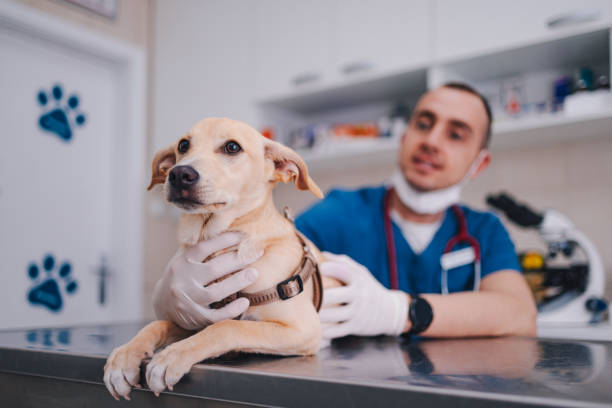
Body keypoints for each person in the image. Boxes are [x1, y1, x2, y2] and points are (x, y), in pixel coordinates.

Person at [152, 83, 537, 340]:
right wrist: (171, 300)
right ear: (405, 136)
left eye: (456, 134)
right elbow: (266, 271)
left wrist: (399, 311)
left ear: (479, 162)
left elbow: (520, 315)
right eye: (424, 123)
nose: (432, 141)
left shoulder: (484, 229)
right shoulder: (339, 211)